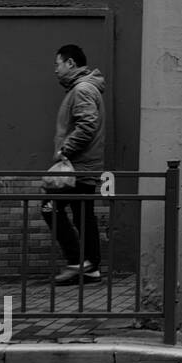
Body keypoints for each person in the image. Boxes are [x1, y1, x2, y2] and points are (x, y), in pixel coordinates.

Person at [42, 44, 107, 285]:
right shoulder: (86, 88)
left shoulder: (81, 90)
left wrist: (63, 151)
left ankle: (77, 262)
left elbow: (87, 125)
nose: (55, 70)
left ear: (70, 63)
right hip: (85, 166)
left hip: (77, 167)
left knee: (49, 208)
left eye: (57, 64)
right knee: (83, 214)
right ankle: (91, 266)